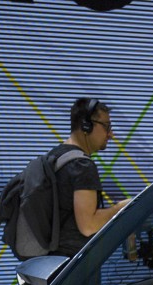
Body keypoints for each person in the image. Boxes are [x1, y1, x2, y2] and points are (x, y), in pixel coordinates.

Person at [52, 98, 130, 257]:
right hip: (73, 266)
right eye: (106, 127)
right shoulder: (82, 166)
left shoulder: (55, 157)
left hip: (51, 263)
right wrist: (121, 208)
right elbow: (88, 225)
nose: (111, 135)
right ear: (86, 126)